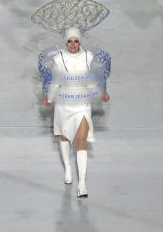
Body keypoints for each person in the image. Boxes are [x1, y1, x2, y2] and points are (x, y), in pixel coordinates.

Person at [41, 28, 111, 198]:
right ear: (66, 43)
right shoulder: (58, 59)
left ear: (80, 41)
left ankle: (82, 184)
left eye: (76, 41)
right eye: (70, 41)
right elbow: (55, 81)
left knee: (81, 141)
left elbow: (90, 80)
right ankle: (68, 169)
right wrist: (49, 97)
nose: (73, 44)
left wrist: (101, 92)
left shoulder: (88, 57)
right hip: (64, 103)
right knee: (64, 137)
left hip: (82, 105)